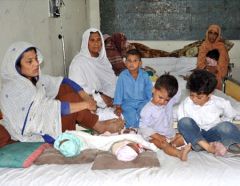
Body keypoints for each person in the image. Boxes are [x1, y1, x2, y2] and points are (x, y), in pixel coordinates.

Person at [0, 41, 124, 142]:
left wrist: (85, 96)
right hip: (32, 135)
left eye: (36, 59)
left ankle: (95, 123)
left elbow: (63, 81)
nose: (36, 64)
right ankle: (99, 126)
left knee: (65, 89)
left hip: (45, 121)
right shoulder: (14, 88)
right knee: (71, 99)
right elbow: (45, 110)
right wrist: (85, 104)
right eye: (29, 61)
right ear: (16, 66)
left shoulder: (33, 79)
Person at [178, 69, 240, 156]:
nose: (194, 99)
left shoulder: (219, 102)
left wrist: (225, 122)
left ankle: (232, 145)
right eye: (192, 95)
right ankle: (207, 147)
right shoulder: (186, 103)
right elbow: (184, 126)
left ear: (210, 94)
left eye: (199, 97)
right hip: (197, 136)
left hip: (214, 133)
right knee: (184, 122)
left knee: (227, 126)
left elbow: (232, 114)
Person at [139, 74, 191, 161]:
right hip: (153, 138)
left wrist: (171, 80)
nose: (162, 101)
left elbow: (177, 94)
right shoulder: (147, 109)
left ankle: (172, 146)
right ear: (153, 90)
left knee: (185, 136)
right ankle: (179, 153)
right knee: (163, 144)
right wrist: (158, 136)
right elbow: (143, 127)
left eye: (166, 99)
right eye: (160, 97)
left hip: (170, 135)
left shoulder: (169, 102)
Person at [69, 28, 117, 107]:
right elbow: (78, 88)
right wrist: (100, 96)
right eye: (92, 40)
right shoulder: (78, 63)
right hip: (91, 99)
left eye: (98, 40)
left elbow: (111, 81)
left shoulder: (102, 59)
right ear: (86, 43)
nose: (96, 43)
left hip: (108, 96)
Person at [114, 49, 153, 128]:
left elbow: (149, 90)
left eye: (135, 61)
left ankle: (143, 128)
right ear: (125, 63)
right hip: (128, 103)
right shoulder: (122, 76)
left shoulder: (145, 75)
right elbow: (119, 91)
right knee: (130, 116)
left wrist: (151, 102)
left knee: (143, 113)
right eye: (129, 61)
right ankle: (133, 130)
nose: (132, 63)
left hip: (142, 102)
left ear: (140, 63)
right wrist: (118, 107)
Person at [197, 24, 230, 90]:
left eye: (215, 34)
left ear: (218, 36)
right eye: (210, 33)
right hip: (204, 71)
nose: (212, 36)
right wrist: (206, 67)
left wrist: (215, 69)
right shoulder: (203, 46)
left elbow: (223, 64)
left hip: (217, 73)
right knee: (197, 80)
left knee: (214, 81)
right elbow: (200, 63)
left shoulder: (221, 47)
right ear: (207, 34)